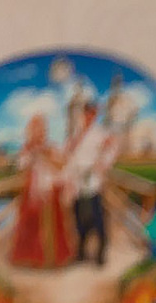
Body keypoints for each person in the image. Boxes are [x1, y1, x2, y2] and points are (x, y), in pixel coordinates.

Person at [6, 113, 75, 271]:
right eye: (36, 128)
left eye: (42, 129)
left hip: (51, 190)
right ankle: (32, 258)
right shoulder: (27, 148)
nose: (40, 132)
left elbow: (62, 166)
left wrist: (47, 156)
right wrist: (31, 153)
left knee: (55, 225)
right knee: (30, 224)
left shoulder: (51, 146)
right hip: (33, 192)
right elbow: (21, 166)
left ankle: (53, 260)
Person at [67, 98, 109, 267]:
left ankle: (101, 253)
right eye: (87, 112)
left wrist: (102, 164)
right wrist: (69, 178)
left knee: (97, 217)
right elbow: (70, 156)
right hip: (77, 181)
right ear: (83, 114)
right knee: (78, 217)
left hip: (92, 179)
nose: (89, 116)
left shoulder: (100, 132)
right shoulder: (76, 133)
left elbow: (111, 149)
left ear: (96, 114)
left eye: (92, 113)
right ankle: (81, 253)